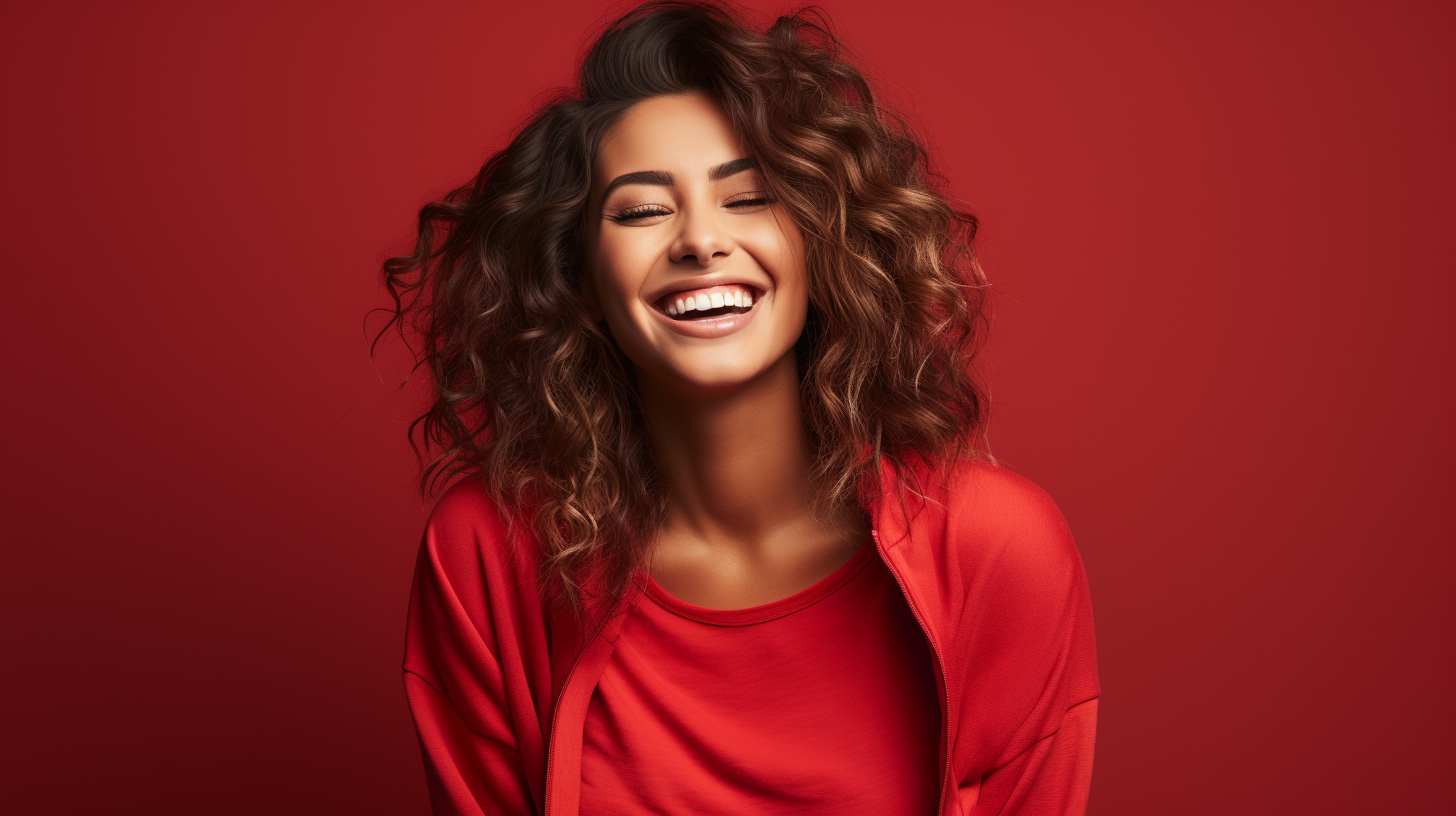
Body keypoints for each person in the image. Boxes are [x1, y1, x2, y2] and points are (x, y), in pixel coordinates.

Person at [379, 1, 1098, 813]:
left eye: (749, 197)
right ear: (579, 278)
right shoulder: (490, 551)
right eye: (643, 210)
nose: (699, 240)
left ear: (822, 243)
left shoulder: (997, 549)